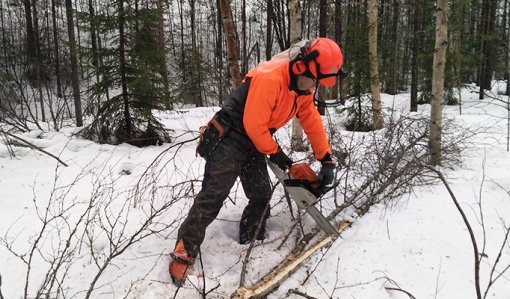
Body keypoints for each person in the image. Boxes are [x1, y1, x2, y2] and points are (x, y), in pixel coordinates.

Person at [169, 37, 343, 286]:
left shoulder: (303, 88)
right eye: (314, 80)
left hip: (255, 139)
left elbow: (310, 120)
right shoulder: (270, 78)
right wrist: (280, 156)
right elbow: (253, 125)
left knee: (261, 193)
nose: (314, 87)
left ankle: (252, 238)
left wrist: (326, 160)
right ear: (300, 67)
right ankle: (184, 251)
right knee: (213, 195)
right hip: (231, 135)